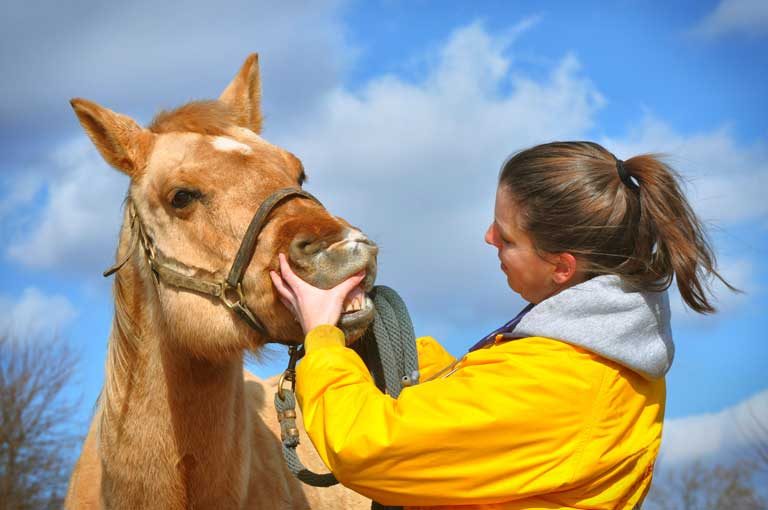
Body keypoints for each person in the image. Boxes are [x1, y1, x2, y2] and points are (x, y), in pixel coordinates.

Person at [269, 141, 735, 509]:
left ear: (562, 268)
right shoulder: (582, 356)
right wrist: (377, 336)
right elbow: (471, 404)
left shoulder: (564, 380)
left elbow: (366, 446)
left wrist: (322, 335)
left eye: (507, 237)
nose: (489, 237)